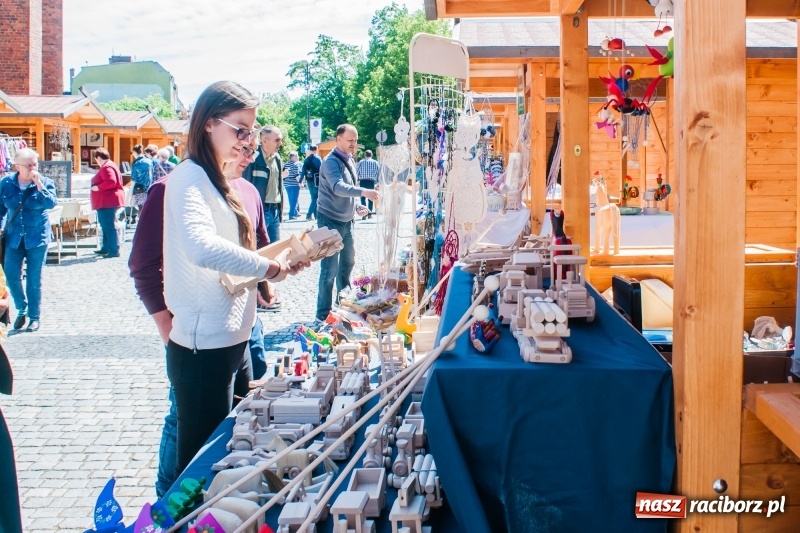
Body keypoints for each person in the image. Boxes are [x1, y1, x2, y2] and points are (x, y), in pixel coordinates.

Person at [163, 81, 307, 474]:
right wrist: (269, 268)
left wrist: (280, 261)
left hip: (234, 340)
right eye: (240, 129)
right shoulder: (189, 177)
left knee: (232, 452)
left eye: (252, 131)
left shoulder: (216, 178)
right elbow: (202, 247)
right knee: (200, 468)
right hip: (203, 347)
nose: (247, 141)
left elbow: (236, 255)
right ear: (209, 123)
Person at [315, 124, 378, 321]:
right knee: (330, 269)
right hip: (329, 220)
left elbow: (349, 188)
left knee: (348, 262)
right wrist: (364, 192)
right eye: (350, 140)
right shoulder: (330, 162)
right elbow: (338, 187)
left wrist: (357, 204)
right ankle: (322, 313)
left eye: (356, 140)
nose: (354, 144)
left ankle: (343, 303)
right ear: (338, 139)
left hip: (347, 220)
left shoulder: (349, 159)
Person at [0, 148, 57, 332]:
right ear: (17, 166)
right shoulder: (6, 183)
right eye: (29, 165)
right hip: (14, 237)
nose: (33, 168)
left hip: (37, 237)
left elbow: (51, 203)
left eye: (35, 164)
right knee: (10, 275)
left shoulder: (45, 182)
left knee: (34, 278)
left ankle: (34, 317)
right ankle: (22, 307)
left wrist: (39, 185)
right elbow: (1, 208)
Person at [243, 125, 283, 244]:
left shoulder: (277, 158)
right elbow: (245, 184)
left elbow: (279, 185)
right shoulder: (252, 157)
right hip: (260, 210)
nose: (280, 143)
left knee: (275, 248)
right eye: (277, 140)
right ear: (265, 140)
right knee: (259, 249)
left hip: (274, 209)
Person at [90, 148, 126, 259]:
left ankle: (114, 250)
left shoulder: (106, 167)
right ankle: (106, 247)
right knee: (105, 225)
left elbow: (111, 181)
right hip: (108, 200)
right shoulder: (111, 165)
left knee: (108, 226)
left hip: (107, 201)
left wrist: (98, 187)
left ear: (98, 158)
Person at [129, 144, 153, 222]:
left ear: (134, 152)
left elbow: (134, 178)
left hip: (139, 188)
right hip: (149, 187)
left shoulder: (136, 163)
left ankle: (141, 224)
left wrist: (130, 192)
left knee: (140, 208)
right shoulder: (149, 161)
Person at [356, 149, 380, 216]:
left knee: (363, 197)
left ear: (365, 155)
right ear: (371, 155)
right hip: (371, 182)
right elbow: (379, 173)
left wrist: (356, 181)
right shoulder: (375, 162)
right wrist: (378, 182)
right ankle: (369, 213)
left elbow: (357, 172)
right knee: (370, 198)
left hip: (363, 181)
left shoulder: (361, 162)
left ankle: (364, 214)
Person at [301, 145, 322, 221]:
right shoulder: (318, 158)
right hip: (317, 180)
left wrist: (300, 181)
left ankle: (315, 216)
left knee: (313, 198)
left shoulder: (306, 159)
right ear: (316, 150)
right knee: (315, 198)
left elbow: (303, 170)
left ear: (310, 150)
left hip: (309, 180)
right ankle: (309, 215)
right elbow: (322, 169)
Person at [283, 151, 302, 219]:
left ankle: (295, 212)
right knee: (294, 199)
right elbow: (297, 175)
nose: (297, 157)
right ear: (293, 157)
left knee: (290, 199)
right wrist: (300, 183)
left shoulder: (285, 165)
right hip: (294, 184)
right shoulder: (295, 165)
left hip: (287, 184)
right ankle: (291, 214)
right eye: (296, 156)